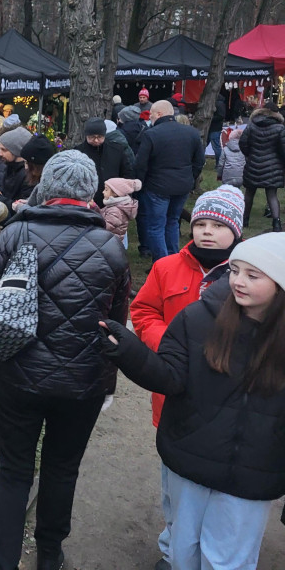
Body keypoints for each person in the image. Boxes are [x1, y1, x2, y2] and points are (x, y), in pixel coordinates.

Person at [0, 150, 130, 570]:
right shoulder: (112, 248)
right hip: (82, 383)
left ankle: (2, 557)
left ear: (47, 187)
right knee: (62, 469)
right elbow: (116, 327)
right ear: (89, 192)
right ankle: (50, 555)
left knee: (14, 467)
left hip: (16, 375)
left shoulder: (15, 234)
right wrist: (107, 385)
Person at [100, 232, 285, 570]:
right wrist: (127, 350)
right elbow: (169, 376)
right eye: (235, 270)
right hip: (191, 458)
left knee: (228, 561)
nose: (238, 282)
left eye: (252, 275)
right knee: (183, 551)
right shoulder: (198, 318)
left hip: (253, 474)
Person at [128, 185, 243, 569]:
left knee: (221, 486)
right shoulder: (166, 268)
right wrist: (171, 344)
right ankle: (172, 548)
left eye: (218, 225)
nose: (207, 231)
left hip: (228, 399)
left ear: (237, 232)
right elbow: (143, 311)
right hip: (174, 395)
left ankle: (211, 551)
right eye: (201, 223)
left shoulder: (248, 277)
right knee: (173, 481)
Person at [135, 100, 205, 259]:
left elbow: (140, 164)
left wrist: (141, 184)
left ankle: (163, 263)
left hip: (157, 187)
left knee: (156, 226)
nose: (150, 117)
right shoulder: (192, 133)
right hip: (182, 186)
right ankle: (173, 259)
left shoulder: (151, 134)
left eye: (151, 114)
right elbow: (199, 161)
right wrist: (189, 177)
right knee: (172, 222)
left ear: (159, 114)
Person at [238, 104, 285, 232]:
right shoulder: (280, 128)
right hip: (273, 167)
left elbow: (242, 143)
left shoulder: (251, 126)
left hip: (253, 164)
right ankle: (276, 223)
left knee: (249, 193)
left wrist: (250, 154)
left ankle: (244, 220)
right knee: (272, 195)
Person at [75, 117, 135, 207]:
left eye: (99, 137)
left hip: (113, 199)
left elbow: (127, 173)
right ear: (86, 136)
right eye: (92, 137)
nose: (96, 140)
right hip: (88, 200)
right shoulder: (78, 152)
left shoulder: (117, 149)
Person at [12, 135, 57, 211]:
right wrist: (29, 202)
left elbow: (44, 212)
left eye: (27, 163)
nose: (25, 167)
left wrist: (20, 207)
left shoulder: (51, 185)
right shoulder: (46, 181)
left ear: (36, 165)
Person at [0, 127, 34, 209]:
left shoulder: (28, 174)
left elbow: (24, 207)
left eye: (4, 150)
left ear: (16, 150)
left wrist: (1, 200)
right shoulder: (9, 168)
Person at [99, 177, 141, 245]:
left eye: (106, 189)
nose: (103, 192)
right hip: (112, 242)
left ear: (115, 193)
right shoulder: (115, 206)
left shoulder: (115, 211)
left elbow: (105, 227)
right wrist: (94, 207)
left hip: (110, 244)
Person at [208, 92, 228, 163]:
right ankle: (219, 163)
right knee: (215, 146)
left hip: (214, 128)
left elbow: (221, 116)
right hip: (213, 127)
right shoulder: (219, 103)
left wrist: (210, 118)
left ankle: (219, 163)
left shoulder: (218, 104)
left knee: (216, 147)